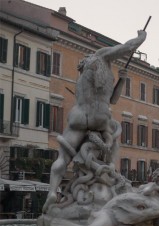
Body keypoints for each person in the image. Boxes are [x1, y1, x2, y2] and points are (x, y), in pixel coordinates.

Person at [43, 31, 147, 213]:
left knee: (62, 158)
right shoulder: (102, 57)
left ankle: (52, 191)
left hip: (79, 116)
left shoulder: (83, 77)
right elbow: (126, 48)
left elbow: (112, 98)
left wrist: (122, 80)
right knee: (113, 138)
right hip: (100, 117)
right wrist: (140, 38)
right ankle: (112, 168)